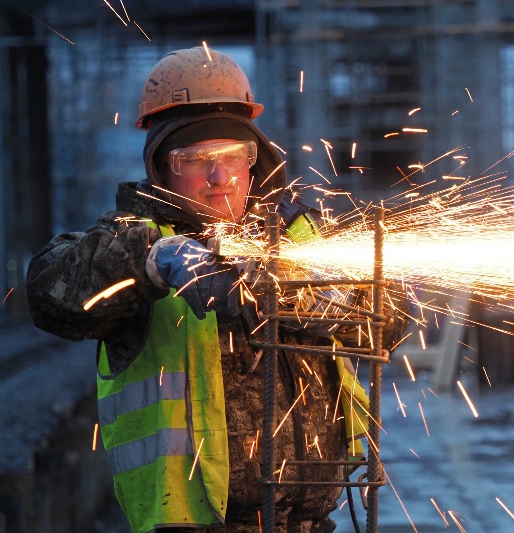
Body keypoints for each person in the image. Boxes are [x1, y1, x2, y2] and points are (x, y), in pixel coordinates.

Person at [26, 47, 408, 533]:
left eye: (233, 157)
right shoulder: (134, 238)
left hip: (312, 522)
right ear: (162, 168)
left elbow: (395, 321)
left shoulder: (305, 238)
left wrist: (337, 301)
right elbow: (47, 290)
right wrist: (154, 263)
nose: (219, 178)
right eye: (195, 160)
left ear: (255, 160)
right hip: (190, 524)